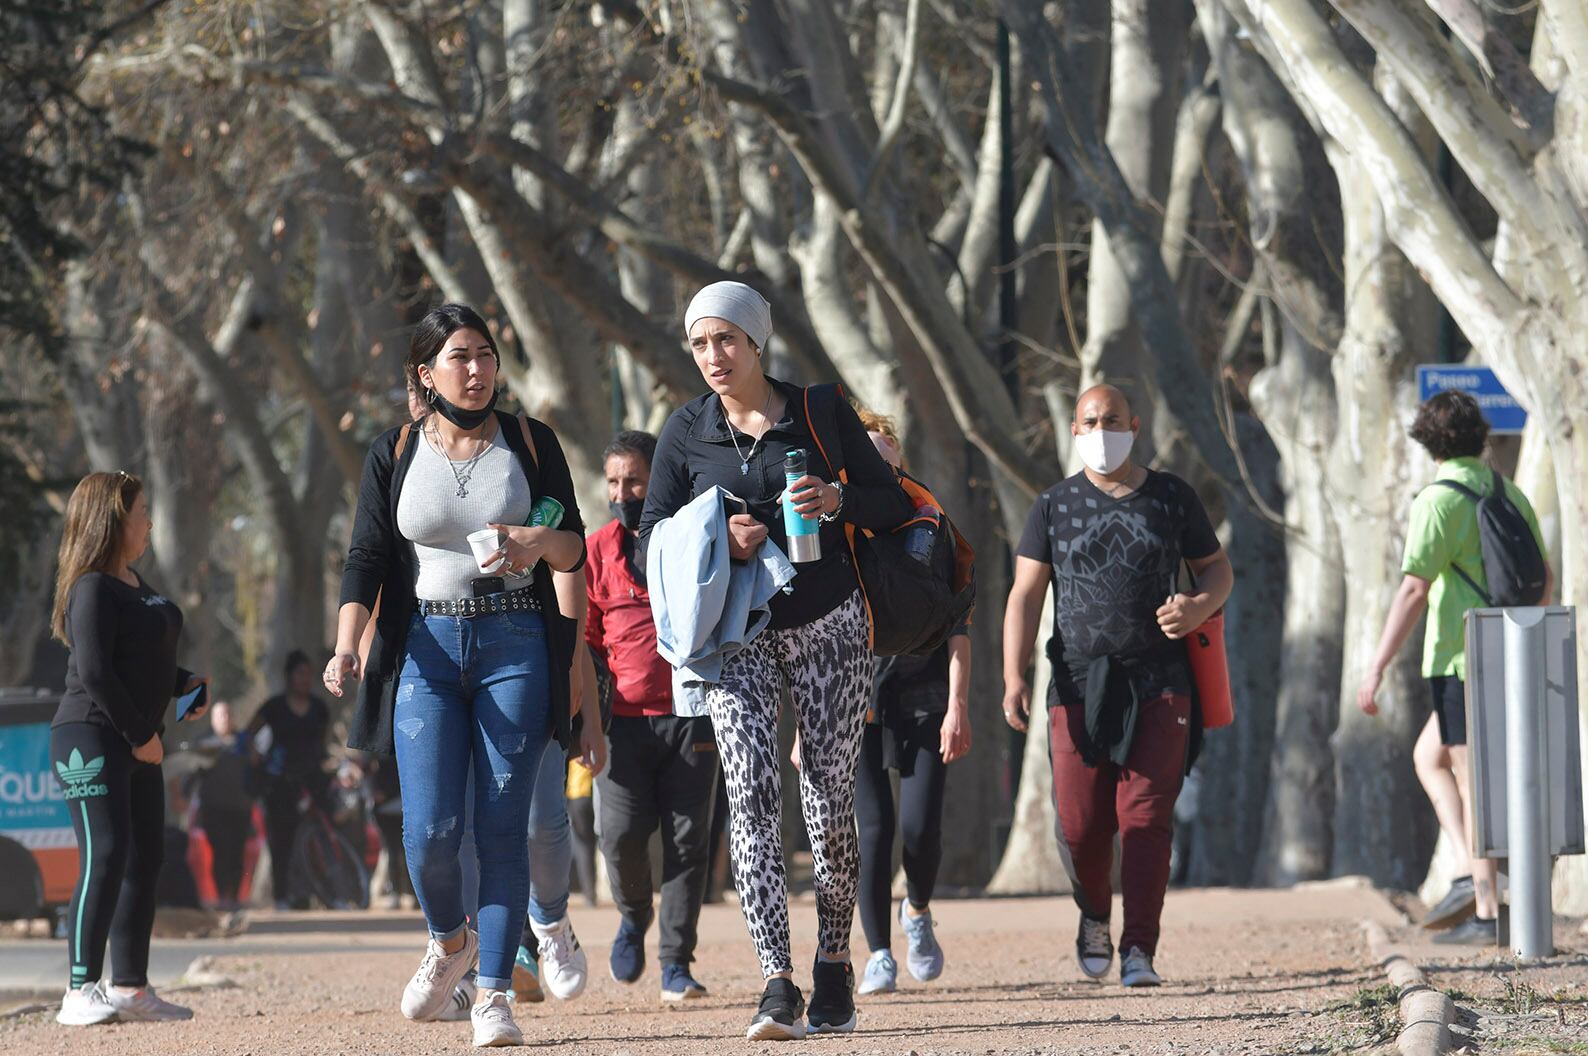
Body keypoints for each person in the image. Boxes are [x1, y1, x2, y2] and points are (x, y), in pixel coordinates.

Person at [640, 281, 911, 1040]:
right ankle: (776, 982)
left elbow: (895, 504)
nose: (713, 356)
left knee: (827, 799)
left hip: (828, 620)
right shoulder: (685, 432)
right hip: (736, 634)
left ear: (757, 341)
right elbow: (646, 540)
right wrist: (717, 542)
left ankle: (832, 964)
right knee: (752, 800)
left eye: (727, 339)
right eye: (699, 343)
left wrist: (839, 501)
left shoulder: (819, 412)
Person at [325, 302, 590, 1048]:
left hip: (515, 642)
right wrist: (348, 645)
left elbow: (574, 549)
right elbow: (367, 559)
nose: (476, 371)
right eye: (459, 358)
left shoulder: (532, 443)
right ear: (426, 371)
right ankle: (451, 943)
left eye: (484, 355)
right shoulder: (396, 448)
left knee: (501, 831)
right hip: (425, 650)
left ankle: (495, 995)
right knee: (430, 833)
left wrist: (539, 541)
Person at [1002, 384, 1233, 989]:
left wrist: (1199, 606)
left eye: (1112, 420)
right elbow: (1025, 595)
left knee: (1145, 820)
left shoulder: (1171, 497)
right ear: (1074, 432)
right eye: (1089, 421)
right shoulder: (1053, 505)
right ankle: (1095, 915)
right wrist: (1012, 675)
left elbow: (1218, 569)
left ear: (1135, 424)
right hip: (1077, 684)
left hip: (1161, 680)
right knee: (1080, 828)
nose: (1101, 430)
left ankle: (1140, 950)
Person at [1356, 390, 1551, 945]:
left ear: (1427, 439)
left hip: (1458, 654)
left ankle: (1488, 911)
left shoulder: (1437, 499)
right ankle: (1471, 872)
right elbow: (1545, 578)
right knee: (1431, 757)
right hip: (1508, 651)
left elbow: (1415, 586)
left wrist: (1376, 665)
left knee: (1472, 779)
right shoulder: (1508, 490)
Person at [48, 470, 209, 1025]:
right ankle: (78, 990)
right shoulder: (91, 586)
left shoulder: (135, 583)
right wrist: (140, 737)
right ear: (114, 520)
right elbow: (93, 670)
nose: (149, 521)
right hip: (91, 737)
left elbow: (139, 660)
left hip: (140, 742)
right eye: (142, 511)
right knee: (108, 852)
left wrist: (183, 681)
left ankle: (130, 988)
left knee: (146, 858)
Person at [842, 410, 972, 995]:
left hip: (924, 696)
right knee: (873, 828)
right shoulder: (836, 527)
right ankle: (876, 954)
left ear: (899, 456)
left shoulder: (931, 522)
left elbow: (958, 623)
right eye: (866, 455)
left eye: (885, 451)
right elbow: (814, 630)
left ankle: (916, 909)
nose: (879, 463)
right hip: (856, 698)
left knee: (919, 828)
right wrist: (800, 727)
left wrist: (959, 704)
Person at [589, 430, 720, 1001]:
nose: (624, 492)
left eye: (635, 481)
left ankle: (675, 963)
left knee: (689, 845)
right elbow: (587, 639)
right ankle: (633, 913)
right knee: (619, 836)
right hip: (622, 722)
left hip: (692, 716)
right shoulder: (595, 552)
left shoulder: (692, 538)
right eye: (614, 482)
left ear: (658, 480)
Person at [249, 650, 331, 911]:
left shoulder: (320, 708)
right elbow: (249, 733)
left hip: (313, 777)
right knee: (280, 839)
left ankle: (331, 892)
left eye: (309, 675)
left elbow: (324, 741)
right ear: (289, 677)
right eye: (300, 674)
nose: (305, 680)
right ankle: (281, 896)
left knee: (325, 831)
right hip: (280, 781)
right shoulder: (273, 707)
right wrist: (255, 756)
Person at [194, 700, 254, 910]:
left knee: (237, 853)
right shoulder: (204, 743)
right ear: (213, 719)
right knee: (219, 852)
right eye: (220, 715)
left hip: (240, 807)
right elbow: (193, 773)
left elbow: (255, 770)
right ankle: (221, 896)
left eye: (228, 714)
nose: (225, 719)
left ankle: (235, 897)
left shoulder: (244, 742)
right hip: (213, 808)